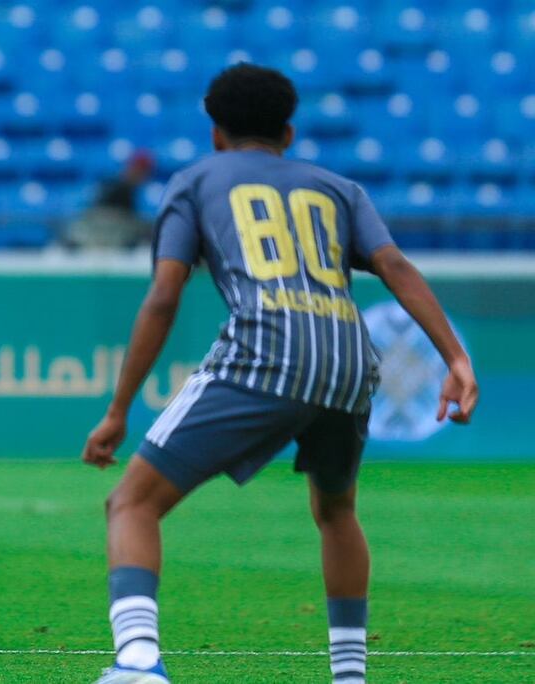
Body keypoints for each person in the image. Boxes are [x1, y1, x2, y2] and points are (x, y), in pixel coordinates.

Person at [81, 64, 478, 684]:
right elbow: (394, 265)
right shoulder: (338, 188)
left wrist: (117, 410)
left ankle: (137, 661)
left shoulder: (196, 182)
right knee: (337, 510)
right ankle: (350, 675)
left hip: (266, 351)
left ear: (216, 132)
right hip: (349, 358)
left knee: (132, 501)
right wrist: (455, 358)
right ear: (288, 133)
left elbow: (164, 297)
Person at [65, 150, 156, 250]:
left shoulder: (127, 188)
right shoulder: (118, 187)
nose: (144, 177)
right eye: (141, 171)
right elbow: (102, 212)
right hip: (104, 231)